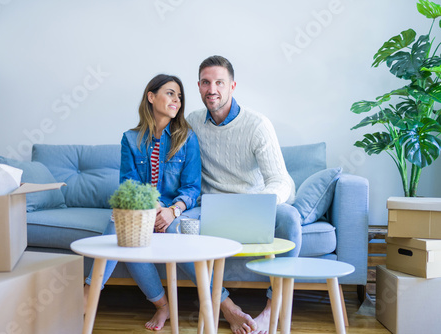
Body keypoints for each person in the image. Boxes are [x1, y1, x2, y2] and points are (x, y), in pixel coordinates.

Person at [187, 55, 296, 334]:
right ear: (198, 86)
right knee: (178, 229)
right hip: (210, 205)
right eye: (206, 82)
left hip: (252, 204)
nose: (213, 89)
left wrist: (257, 204)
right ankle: (227, 307)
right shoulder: (193, 123)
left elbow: (281, 180)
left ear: (232, 86)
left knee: (290, 220)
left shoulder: (257, 125)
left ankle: (271, 312)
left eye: (219, 82)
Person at [84, 73, 201, 331]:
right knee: (123, 226)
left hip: (173, 210)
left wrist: (172, 209)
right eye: (170, 93)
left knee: (151, 230)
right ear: (151, 96)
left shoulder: (187, 139)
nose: (176, 100)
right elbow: (129, 184)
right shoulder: (130, 139)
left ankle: (87, 295)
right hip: (142, 209)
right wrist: (149, 207)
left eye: (179, 96)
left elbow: (192, 188)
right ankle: (161, 305)